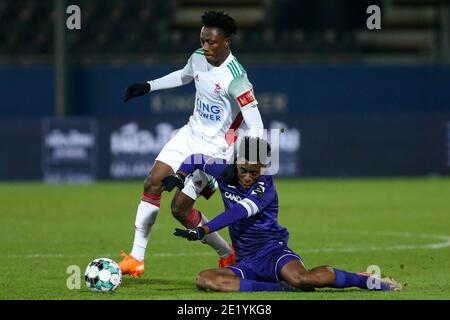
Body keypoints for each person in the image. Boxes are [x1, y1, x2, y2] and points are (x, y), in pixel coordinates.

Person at [118, 11, 264, 277]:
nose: (205, 47)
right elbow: (184, 76)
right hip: (190, 134)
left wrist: (245, 163)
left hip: (216, 148)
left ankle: (226, 253)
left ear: (227, 42)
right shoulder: (198, 57)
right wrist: (148, 86)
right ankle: (136, 258)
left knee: (179, 209)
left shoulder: (237, 79)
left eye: (212, 42)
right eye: (203, 40)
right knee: (153, 182)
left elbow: (256, 125)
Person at [163, 137, 402, 292]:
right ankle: (279, 288)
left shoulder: (265, 186)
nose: (248, 177)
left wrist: (204, 229)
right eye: (244, 171)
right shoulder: (223, 169)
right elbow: (195, 160)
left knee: (304, 280)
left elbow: (239, 211)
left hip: (273, 251)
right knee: (205, 280)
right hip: (246, 260)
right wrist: (180, 176)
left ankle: (367, 280)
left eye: (255, 173)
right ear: (236, 162)